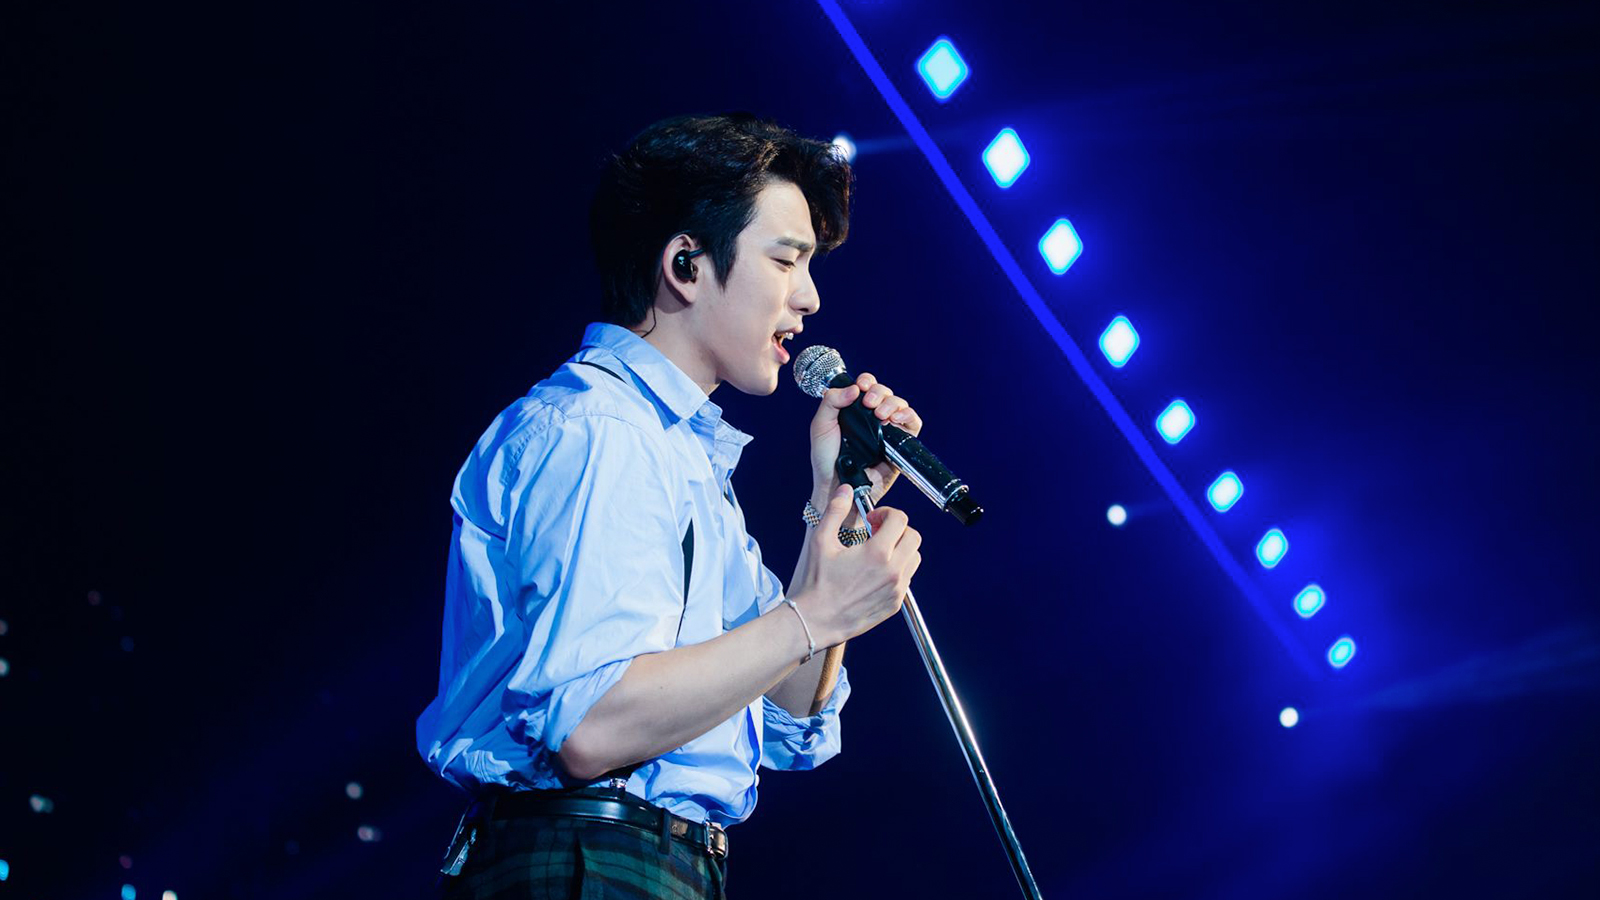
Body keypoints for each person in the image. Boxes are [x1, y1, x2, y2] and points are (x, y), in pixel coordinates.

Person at [416, 113, 925, 899]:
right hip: (585, 855)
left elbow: (790, 711)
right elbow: (592, 727)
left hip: (655, 862)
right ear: (686, 264)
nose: (810, 297)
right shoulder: (601, 429)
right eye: (786, 260)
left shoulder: (682, 459)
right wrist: (816, 615)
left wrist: (838, 501)